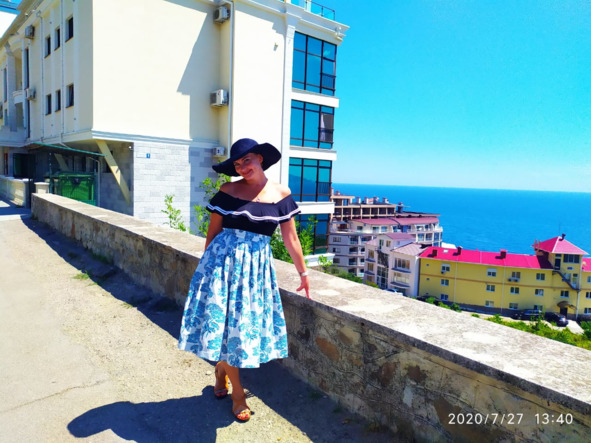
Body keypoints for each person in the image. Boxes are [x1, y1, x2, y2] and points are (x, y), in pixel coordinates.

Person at [178, 138, 310, 422]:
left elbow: (291, 238)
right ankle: (238, 395)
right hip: (221, 266)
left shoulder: (281, 194)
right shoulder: (228, 190)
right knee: (225, 328)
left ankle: (221, 370)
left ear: (260, 158)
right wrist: (207, 271)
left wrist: (303, 272)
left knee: (239, 329)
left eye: (246, 160)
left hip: (255, 272)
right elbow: (213, 232)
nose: (241, 167)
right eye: (237, 164)